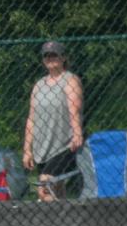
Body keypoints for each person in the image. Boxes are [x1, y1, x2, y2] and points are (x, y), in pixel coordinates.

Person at [23, 41, 84, 201]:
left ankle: (53, 222)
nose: (51, 58)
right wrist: (27, 150)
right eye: (47, 55)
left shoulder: (70, 80)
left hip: (64, 144)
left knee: (45, 188)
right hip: (42, 146)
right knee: (57, 188)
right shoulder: (39, 85)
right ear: (43, 60)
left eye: (54, 55)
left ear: (63, 58)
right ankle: (64, 222)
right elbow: (31, 118)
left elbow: (74, 110)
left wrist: (77, 133)